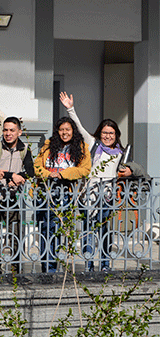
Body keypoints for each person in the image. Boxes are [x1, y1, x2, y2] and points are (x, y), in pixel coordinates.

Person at [59, 92, 147, 272]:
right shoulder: (93, 144)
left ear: (116, 135)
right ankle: (89, 264)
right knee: (88, 232)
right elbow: (79, 127)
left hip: (107, 196)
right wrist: (70, 109)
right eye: (105, 133)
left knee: (105, 232)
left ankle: (105, 265)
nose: (107, 136)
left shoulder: (121, 152)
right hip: (88, 196)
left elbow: (123, 171)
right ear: (100, 133)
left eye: (111, 133)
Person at [33, 116, 91, 273]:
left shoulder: (82, 147)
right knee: (47, 230)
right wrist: (47, 174)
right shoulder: (48, 146)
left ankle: (61, 266)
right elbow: (37, 165)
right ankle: (48, 268)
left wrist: (64, 174)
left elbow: (85, 169)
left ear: (73, 131)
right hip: (47, 191)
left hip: (68, 193)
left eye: (68, 129)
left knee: (61, 230)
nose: (64, 133)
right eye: (61, 130)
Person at [0, 117, 35, 274]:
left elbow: (31, 170)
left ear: (19, 132)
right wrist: (12, 176)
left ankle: (16, 268)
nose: (8, 133)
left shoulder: (24, 149)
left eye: (12, 130)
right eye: (5, 130)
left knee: (16, 232)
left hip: (13, 197)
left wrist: (19, 179)